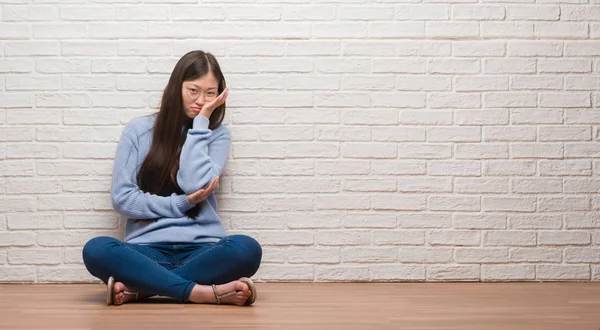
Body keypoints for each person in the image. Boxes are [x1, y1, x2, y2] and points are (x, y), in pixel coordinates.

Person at [82, 50, 262, 306]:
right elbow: (122, 199)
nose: (201, 100)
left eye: (210, 93)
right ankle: (202, 292)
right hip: (145, 251)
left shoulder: (217, 135)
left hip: (204, 250)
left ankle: (143, 290)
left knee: (247, 249)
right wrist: (181, 204)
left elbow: (194, 184)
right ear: (176, 87)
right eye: (193, 90)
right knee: (97, 249)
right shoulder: (137, 131)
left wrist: (201, 123)